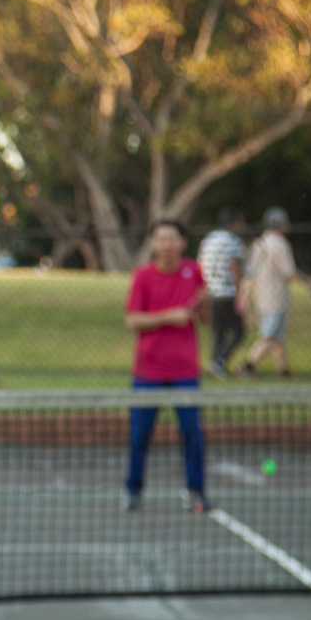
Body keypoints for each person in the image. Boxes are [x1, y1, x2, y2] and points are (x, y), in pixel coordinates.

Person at [123, 219, 210, 513]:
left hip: (185, 371)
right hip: (148, 371)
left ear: (183, 243)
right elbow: (133, 321)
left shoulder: (194, 273)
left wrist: (203, 307)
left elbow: (205, 318)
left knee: (192, 435)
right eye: (161, 239)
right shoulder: (143, 277)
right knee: (139, 436)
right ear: (153, 243)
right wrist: (168, 317)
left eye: (172, 239)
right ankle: (133, 490)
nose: (167, 245)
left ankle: (196, 492)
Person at [240, 207, 311, 378]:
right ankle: (248, 366)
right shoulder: (279, 243)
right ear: (279, 224)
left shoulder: (259, 243)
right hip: (276, 296)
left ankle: (284, 371)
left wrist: (245, 295)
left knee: (277, 336)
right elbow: (289, 272)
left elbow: (250, 272)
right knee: (269, 335)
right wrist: (309, 284)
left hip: (261, 296)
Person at [196, 208, 247, 379]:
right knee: (239, 331)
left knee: (218, 331)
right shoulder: (233, 241)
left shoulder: (209, 240)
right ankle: (218, 361)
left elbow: (200, 263)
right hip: (227, 291)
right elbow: (234, 267)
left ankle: (216, 363)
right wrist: (240, 293)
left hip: (211, 290)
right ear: (233, 223)